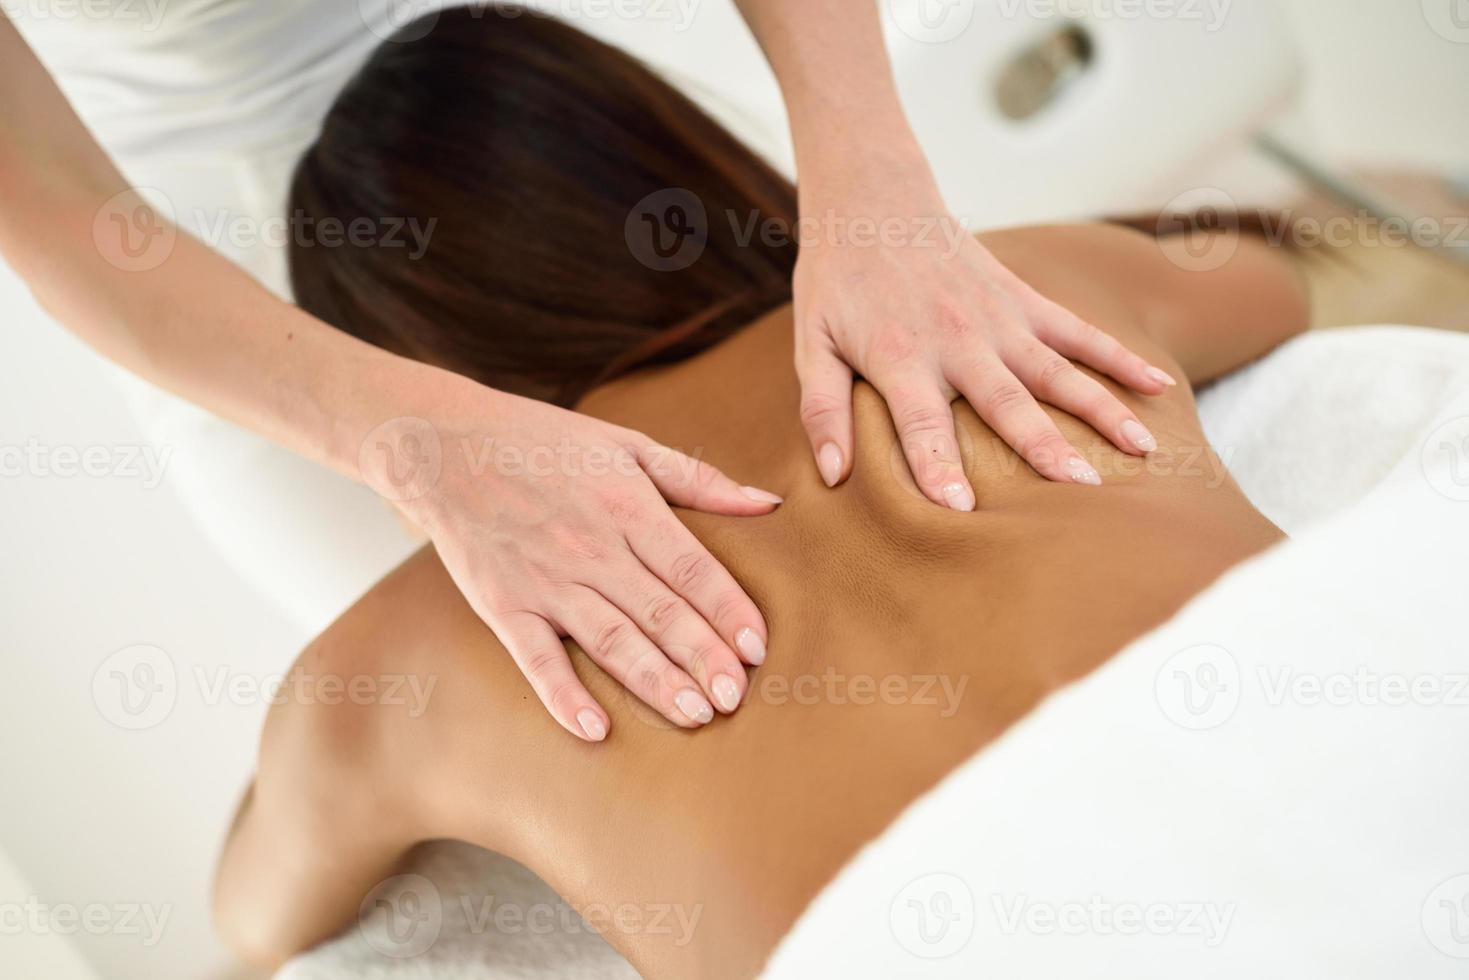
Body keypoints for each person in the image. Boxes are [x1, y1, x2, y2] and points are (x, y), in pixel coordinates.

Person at [210, 8, 1310, 976]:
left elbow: (254, 917)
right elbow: (1274, 291)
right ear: (685, 170)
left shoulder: (385, 666)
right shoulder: (1004, 300)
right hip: (1341, 768)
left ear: (399, 362)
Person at [0, 1, 1173, 742]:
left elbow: (258, 917)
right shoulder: (363, 705)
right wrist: (406, 447)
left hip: (504, 102)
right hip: (189, 252)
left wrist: (866, 169)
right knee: (528, 702)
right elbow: (50, 209)